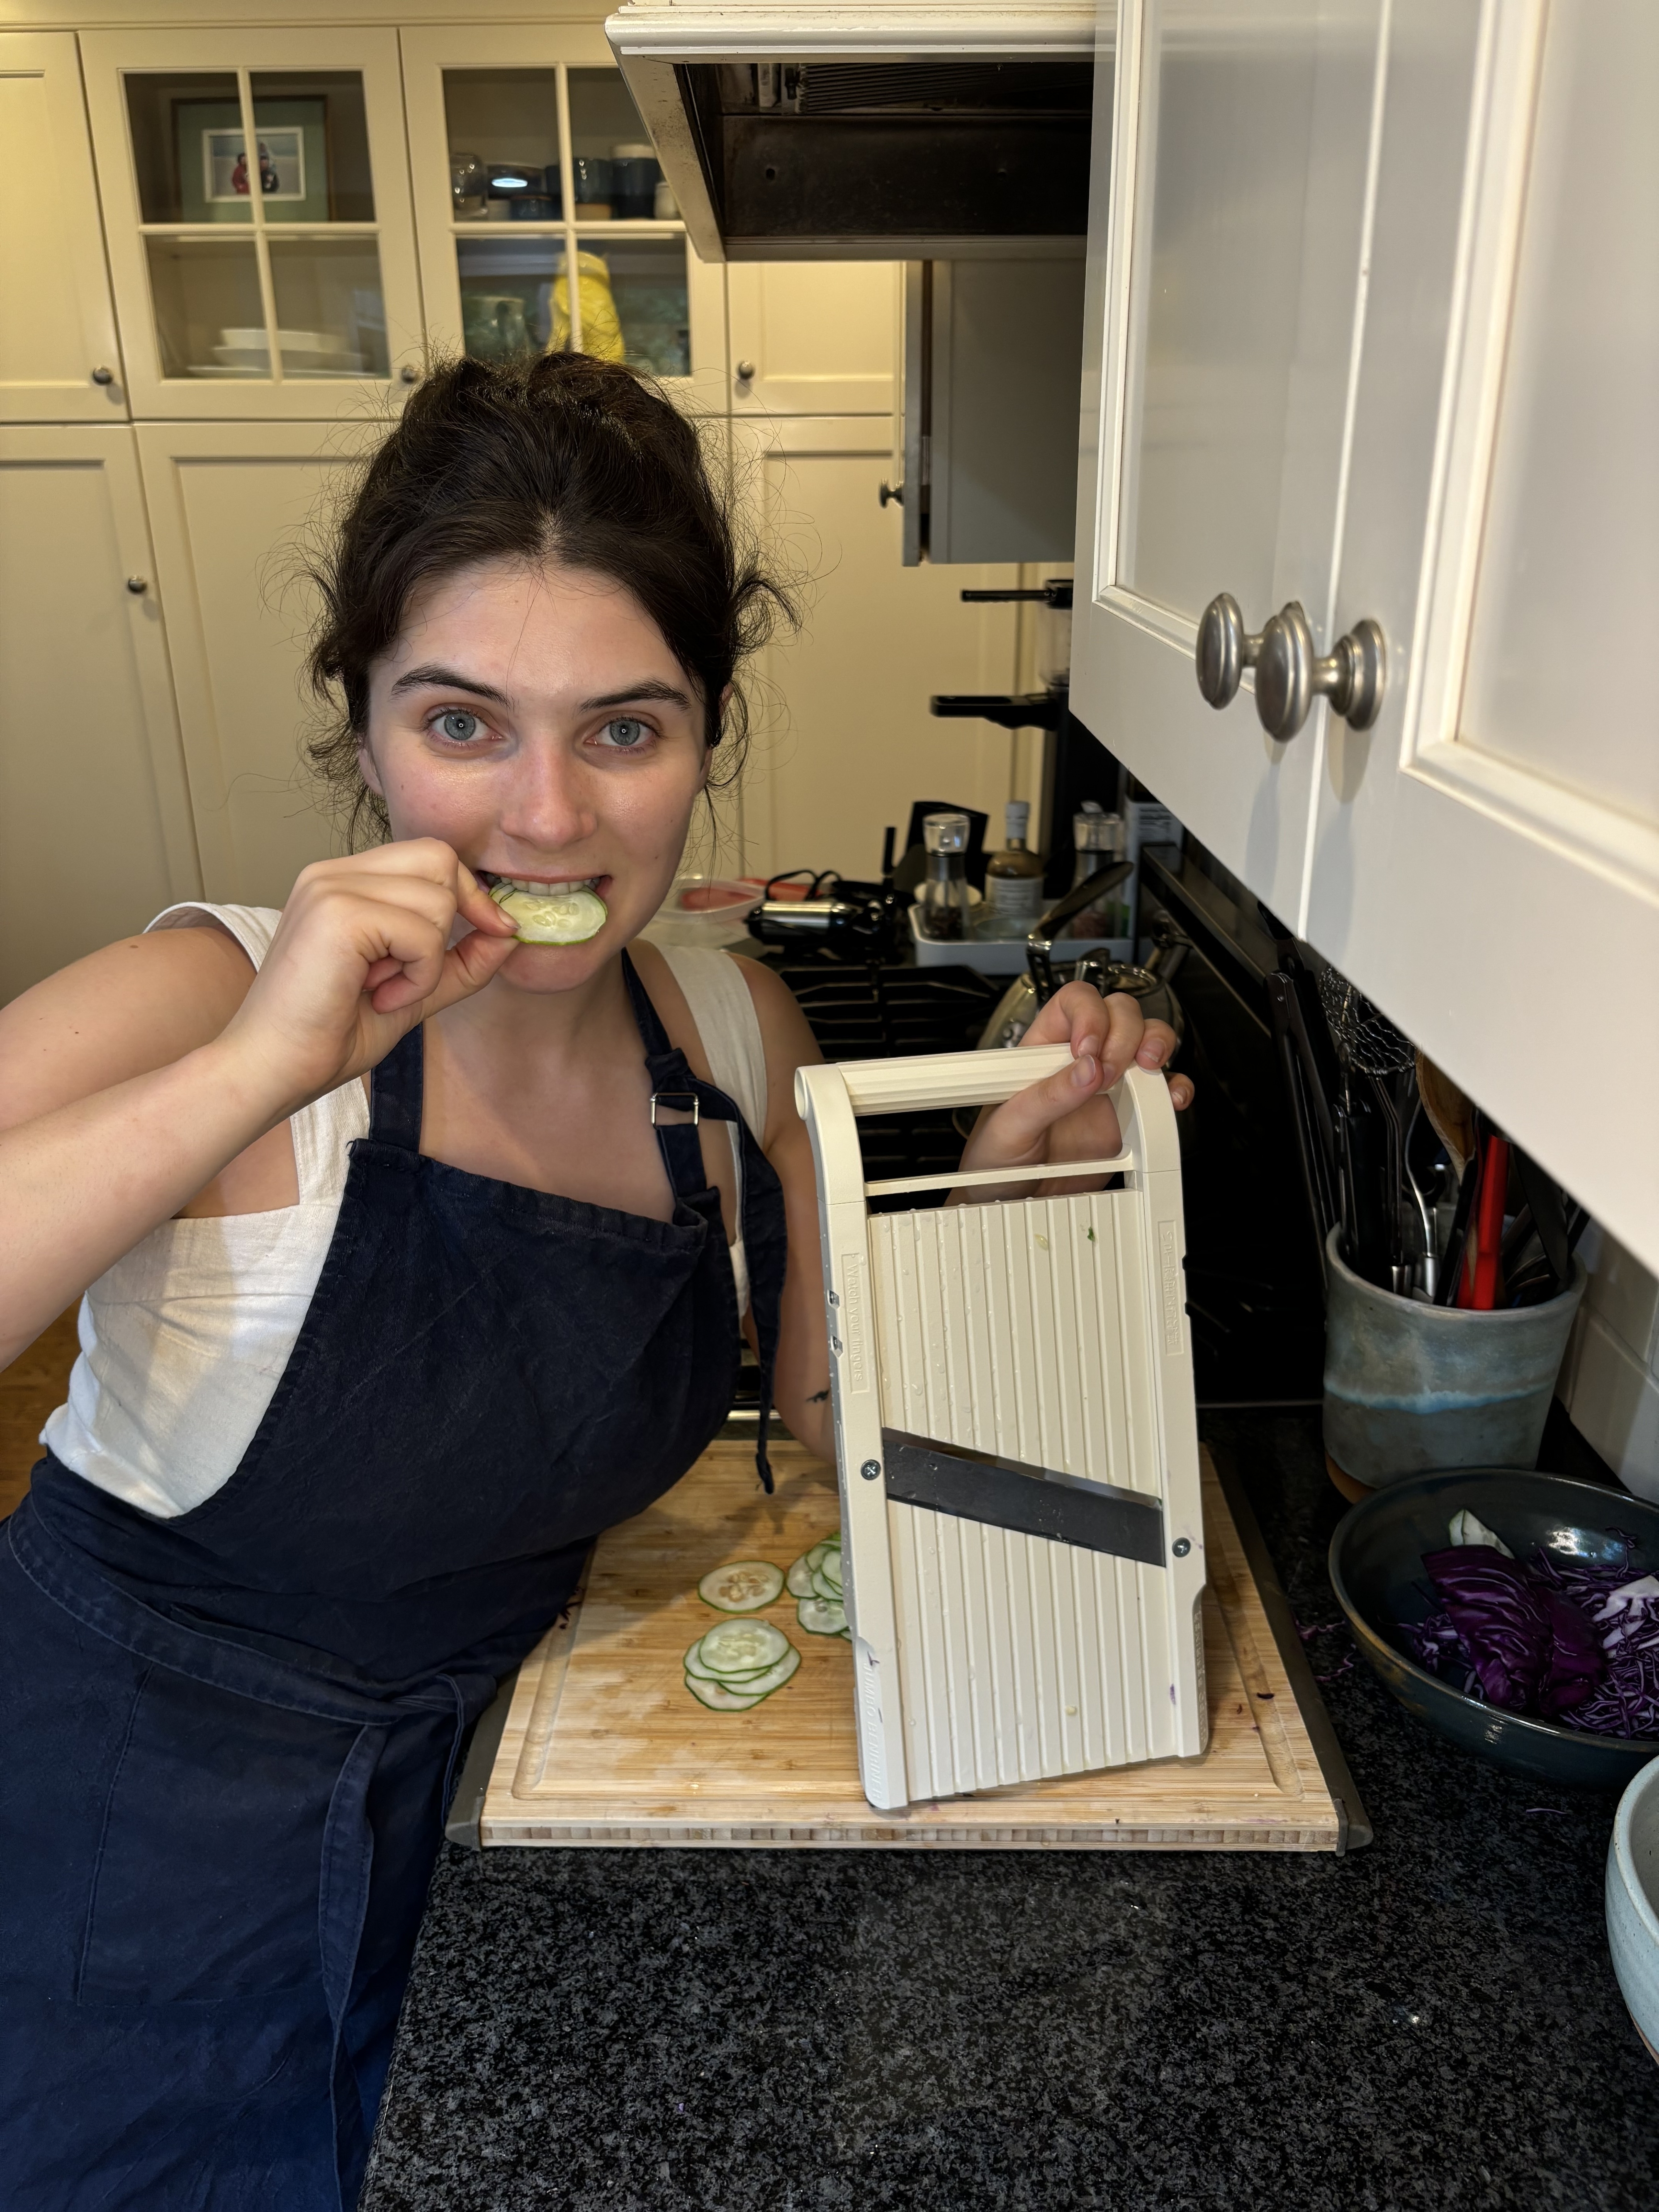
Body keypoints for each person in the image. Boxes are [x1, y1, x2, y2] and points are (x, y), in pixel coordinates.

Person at [0, 353, 1187, 2210]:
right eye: (462, 722)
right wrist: (259, 1070)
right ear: (367, 728)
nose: (544, 817)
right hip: (126, 1836)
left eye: (621, 730)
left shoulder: (729, 1028)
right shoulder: (202, 996)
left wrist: (994, 1182)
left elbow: (835, 1419)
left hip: (503, 1801)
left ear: (705, 733)